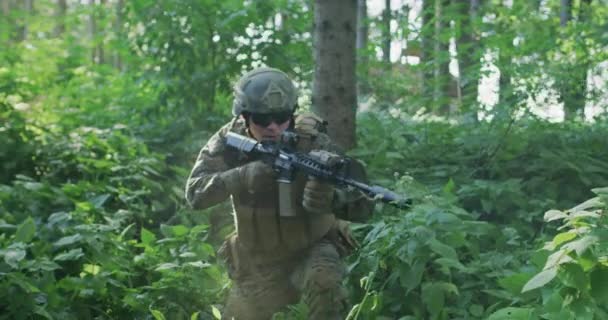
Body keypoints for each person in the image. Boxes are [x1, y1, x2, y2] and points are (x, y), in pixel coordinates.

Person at [185, 67, 373, 320]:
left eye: (282, 117)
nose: (273, 127)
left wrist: (333, 199)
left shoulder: (313, 140)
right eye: (262, 120)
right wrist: (241, 176)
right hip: (258, 259)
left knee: (324, 285)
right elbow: (195, 193)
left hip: (313, 246)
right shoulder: (229, 141)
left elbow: (364, 203)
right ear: (244, 117)